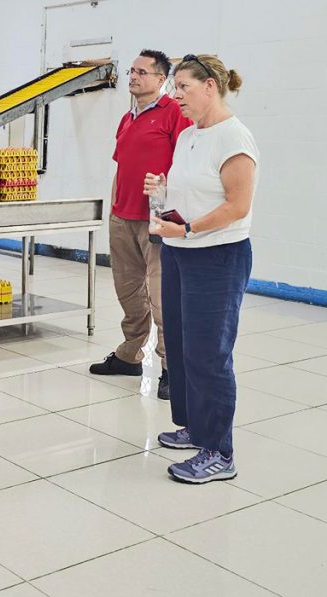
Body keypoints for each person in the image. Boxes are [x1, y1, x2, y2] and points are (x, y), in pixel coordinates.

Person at [148, 54, 257, 483]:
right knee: (181, 344)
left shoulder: (235, 138)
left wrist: (189, 227)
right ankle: (196, 428)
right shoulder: (191, 135)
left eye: (184, 88)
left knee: (210, 353)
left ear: (210, 86)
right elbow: (190, 189)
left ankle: (219, 452)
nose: (176, 97)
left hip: (218, 256)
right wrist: (162, 190)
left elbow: (237, 205)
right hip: (181, 252)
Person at [90, 49, 191, 401]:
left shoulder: (174, 113)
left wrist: (170, 202)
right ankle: (130, 354)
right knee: (128, 289)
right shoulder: (127, 117)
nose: (132, 76)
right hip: (123, 217)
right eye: (131, 70)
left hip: (157, 219)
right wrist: (114, 208)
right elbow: (122, 166)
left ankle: (170, 368)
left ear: (160, 80)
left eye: (141, 72)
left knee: (162, 296)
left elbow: (187, 163)